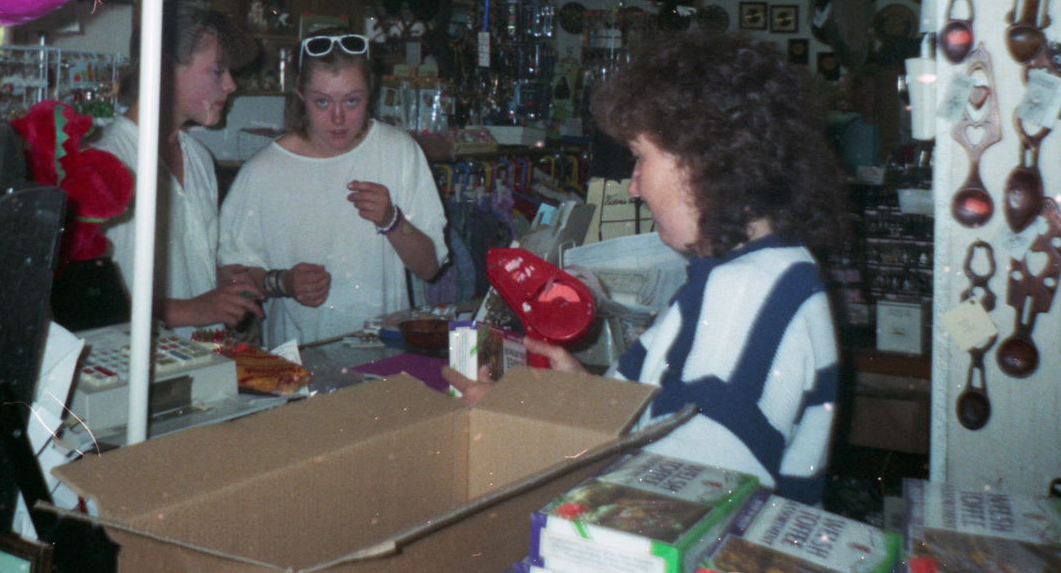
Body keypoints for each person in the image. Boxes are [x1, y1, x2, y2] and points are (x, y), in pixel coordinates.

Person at [444, 30, 845, 506]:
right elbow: (660, 427)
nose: (633, 186)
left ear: (704, 160)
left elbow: (675, 499)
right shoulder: (763, 272)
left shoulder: (744, 295)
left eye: (640, 158)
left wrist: (515, 425)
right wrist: (583, 401)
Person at [219, 30, 448, 345]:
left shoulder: (399, 152)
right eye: (322, 101)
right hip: (297, 363)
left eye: (352, 101)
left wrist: (392, 221)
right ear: (300, 91)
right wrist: (282, 282)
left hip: (386, 354)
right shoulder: (262, 172)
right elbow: (231, 276)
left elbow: (430, 266)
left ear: (371, 91)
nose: (338, 118)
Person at [95, 2, 270, 329]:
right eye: (218, 70)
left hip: (206, 357)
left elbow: (178, 268)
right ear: (164, 70)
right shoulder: (108, 162)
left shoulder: (199, 157)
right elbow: (92, 299)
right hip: (143, 371)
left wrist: (216, 280)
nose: (231, 84)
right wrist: (192, 310)